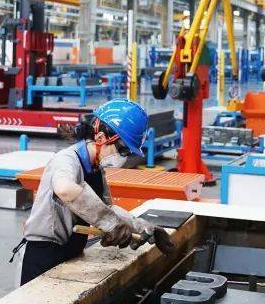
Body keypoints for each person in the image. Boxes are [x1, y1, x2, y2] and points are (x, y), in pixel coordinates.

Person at [13, 99, 175, 285]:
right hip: (42, 258)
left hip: (70, 255)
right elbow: (64, 189)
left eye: (128, 152)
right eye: (122, 149)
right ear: (101, 138)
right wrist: (110, 223)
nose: (124, 157)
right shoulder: (66, 160)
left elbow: (106, 208)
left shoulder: (96, 168)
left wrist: (146, 228)